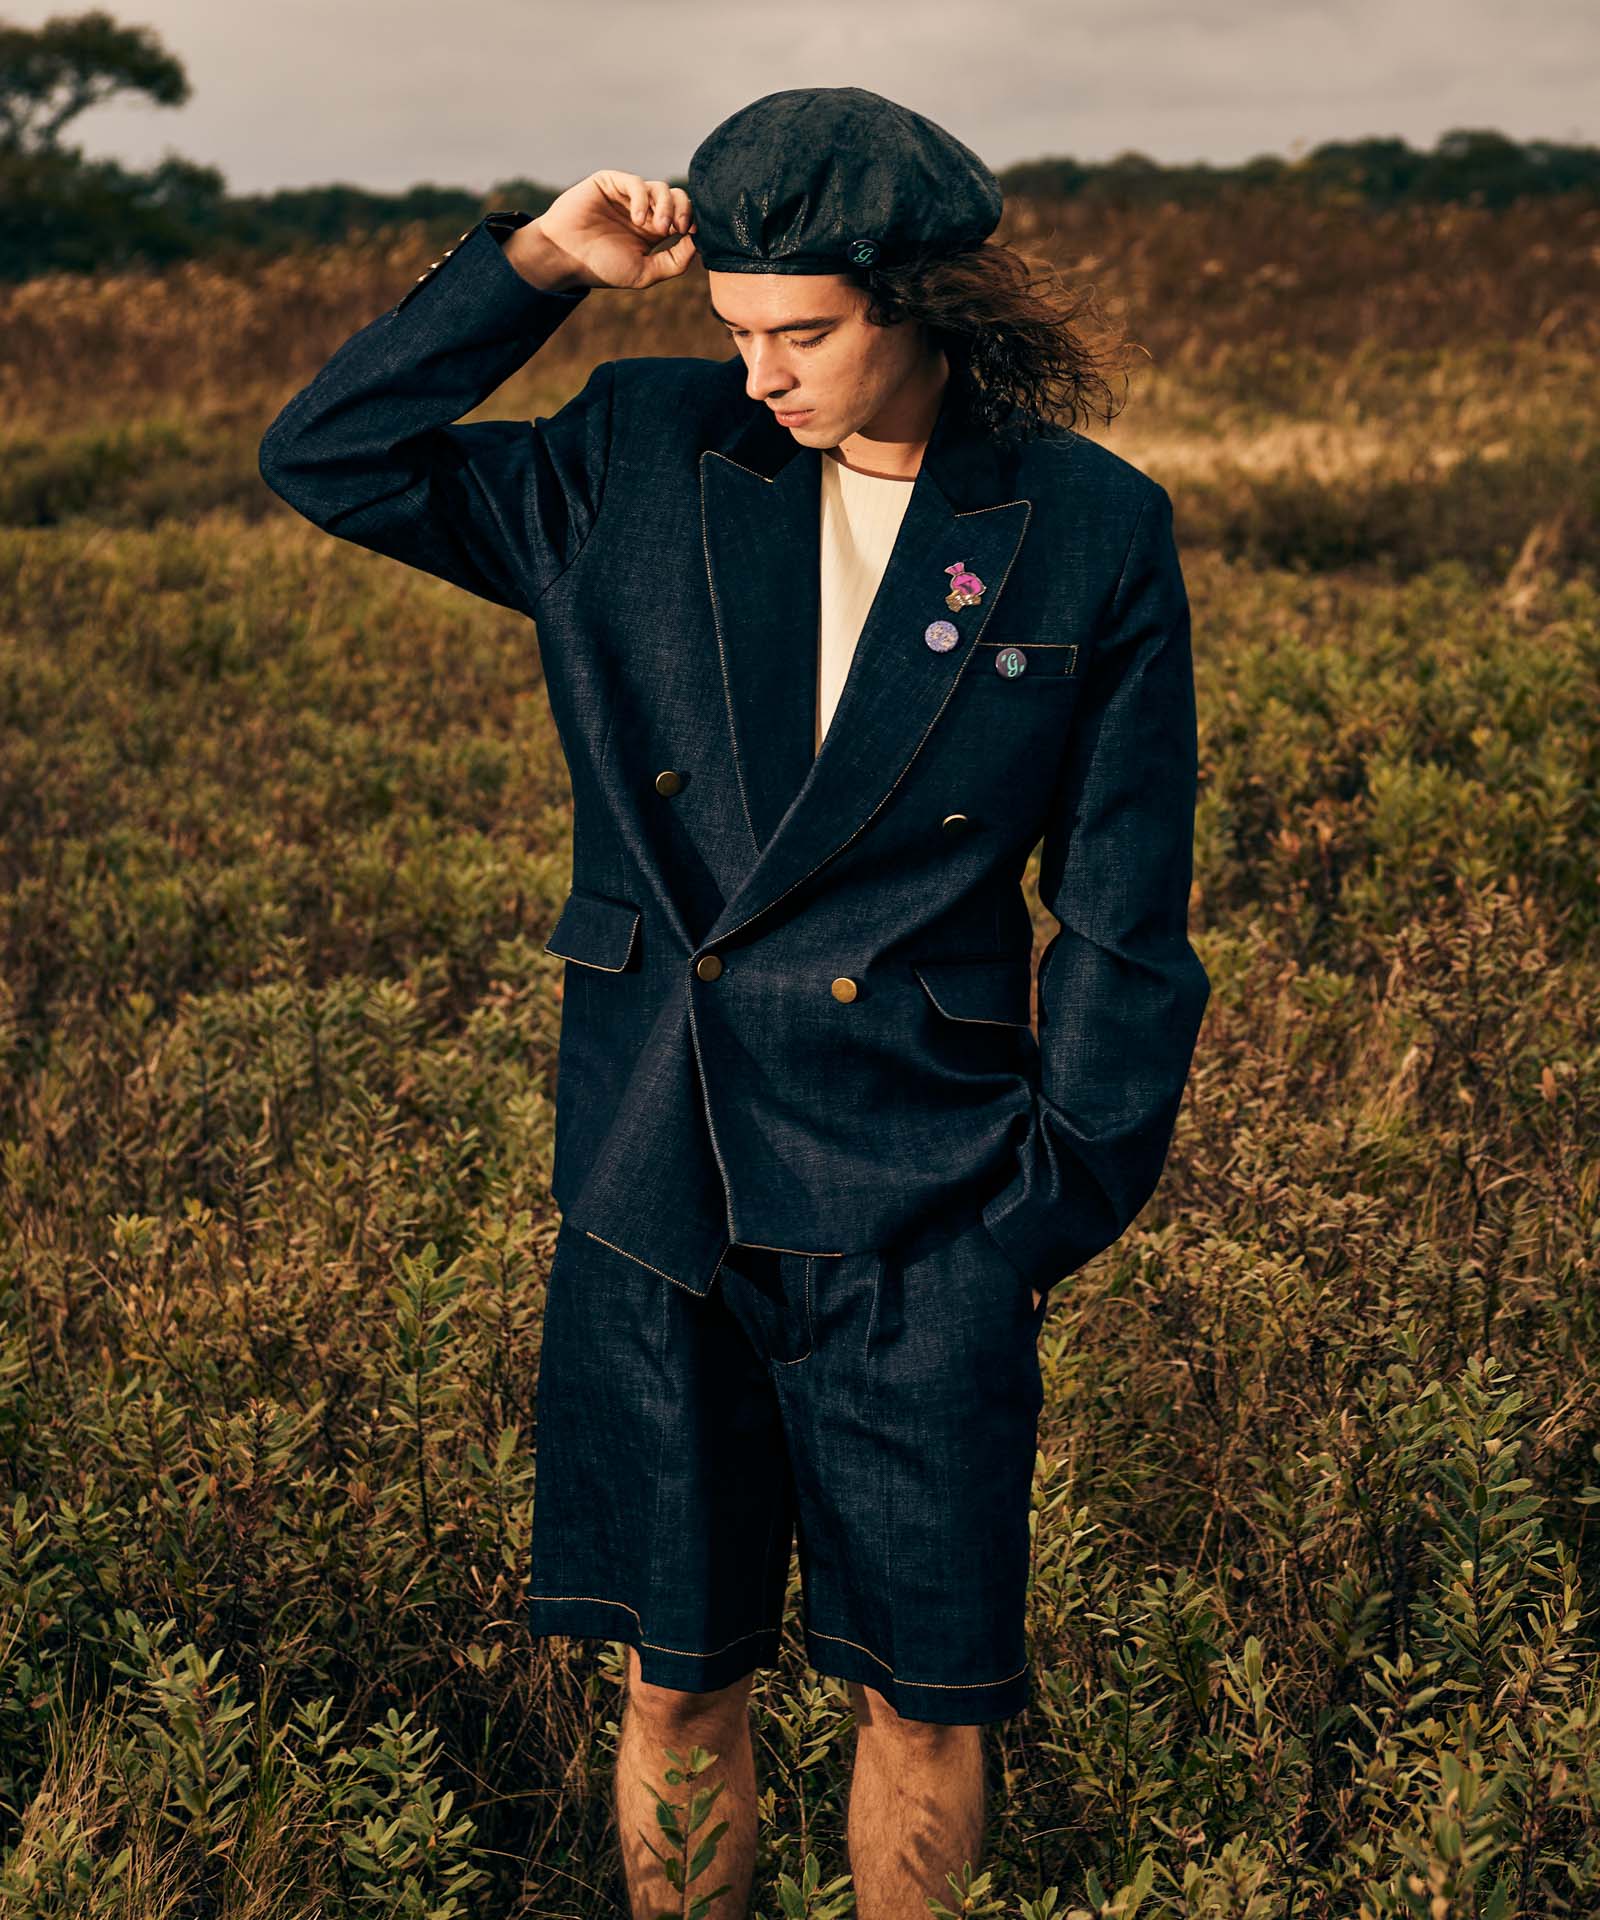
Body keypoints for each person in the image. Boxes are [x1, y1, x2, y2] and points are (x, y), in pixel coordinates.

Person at [258, 85, 1209, 1920]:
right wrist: (540, 265)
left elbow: (1124, 911)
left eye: (807, 332)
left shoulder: (1086, 523)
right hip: (658, 1175)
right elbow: (332, 456)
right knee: (674, 1678)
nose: (761, 372)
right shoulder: (636, 448)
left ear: (923, 302)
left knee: (926, 1696)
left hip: (927, 1197)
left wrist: (1047, 1205)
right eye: (738, 328)